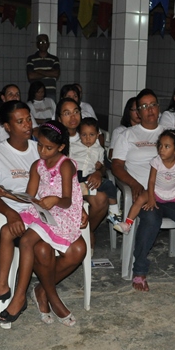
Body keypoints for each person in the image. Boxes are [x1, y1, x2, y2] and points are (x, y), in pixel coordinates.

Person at [0, 101, 86, 326]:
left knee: (77, 249)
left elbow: (67, 191)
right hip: (30, 212)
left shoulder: (45, 149)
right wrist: (8, 200)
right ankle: (8, 288)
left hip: (54, 213)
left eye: (28, 119)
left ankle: (35, 292)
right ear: (7, 126)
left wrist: (79, 206)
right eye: (20, 121)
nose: (27, 125)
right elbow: (25, 195)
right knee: (17, 236)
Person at [112, 88, 175, 292]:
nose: (149, 109)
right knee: (151, 219)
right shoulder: (127, 135)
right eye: (144, 106)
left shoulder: (170, 135)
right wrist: (134, 184)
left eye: (153, 104)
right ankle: (139, 271)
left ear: (159, 108)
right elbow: (116, 165)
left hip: (174, 194)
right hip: (146, 194)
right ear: (138, 112)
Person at [57, 98, 109, 249]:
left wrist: (99, 171)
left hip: (83, 182)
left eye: (76, 112)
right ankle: (80, 233)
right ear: (59, 118)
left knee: (101, 199)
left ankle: (86, 230)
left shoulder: (89, 133)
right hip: (60, 184)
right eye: (67, 113)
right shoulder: (56, 136)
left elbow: (100, 161)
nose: (73, 117)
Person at [70, 117, 122, 229]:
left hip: (89, 177)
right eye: (84, 135)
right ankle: (78, 189)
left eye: (91, 135)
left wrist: (99, 167)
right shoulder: (73, 147)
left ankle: (114, 213)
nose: (88, 138)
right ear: (79, 134)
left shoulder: (99, 149)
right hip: (75, 176)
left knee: (109, 185)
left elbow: (101, 166)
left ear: (98, 135)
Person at [27, 34, 60, 101]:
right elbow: (31, 76)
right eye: (41, 42)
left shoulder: (54, 59)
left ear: (48, 44)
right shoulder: (31, 58)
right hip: (36, 93)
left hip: (50, 93)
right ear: (37, 44)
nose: (43, 44)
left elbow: (56, 74)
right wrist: (49, 72)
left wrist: (38, 71)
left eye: (45, 42)